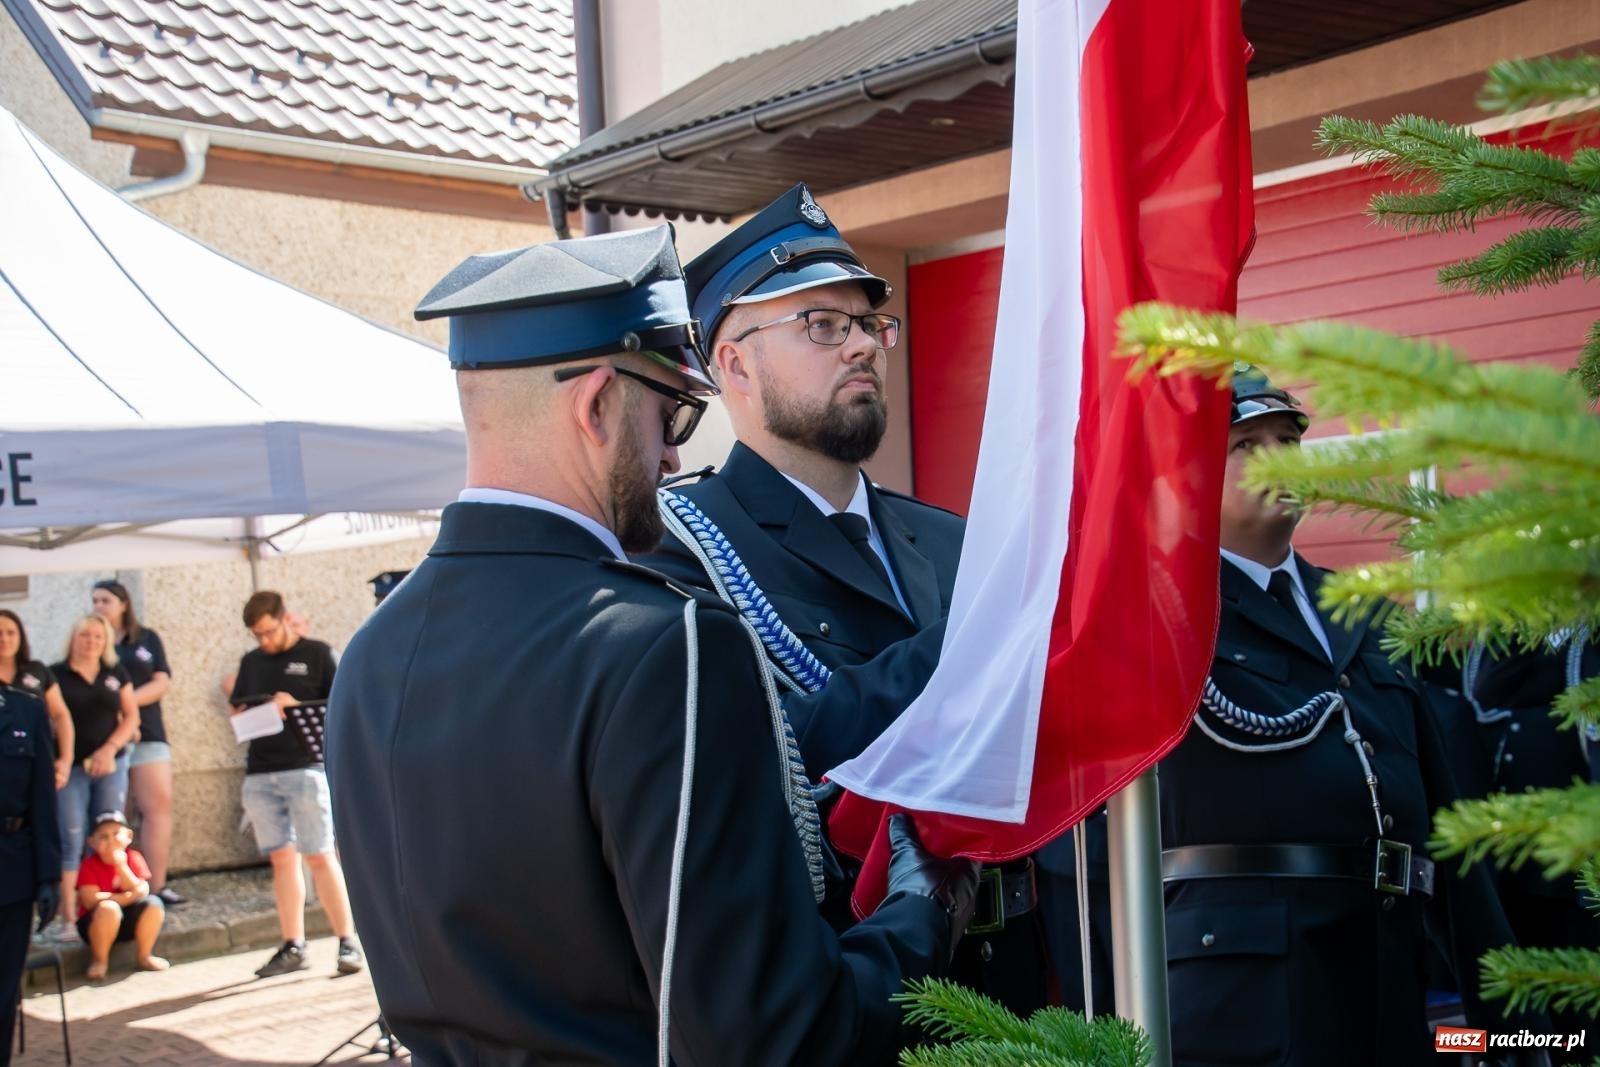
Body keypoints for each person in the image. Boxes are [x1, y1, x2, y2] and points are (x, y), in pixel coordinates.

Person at [327, 225, 979, 1066]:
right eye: (669, 414)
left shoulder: (372, 653)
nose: (674, 454)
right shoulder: (666, 645)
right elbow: (772, 1035)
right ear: (595, 404)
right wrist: (917, 917)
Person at [641, 183, 1049, 1014]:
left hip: (1022, 970)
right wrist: (976, 641)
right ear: (734, 364)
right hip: (855, 981)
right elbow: (765, 753)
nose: (861, 345)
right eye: (822, 325)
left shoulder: (950, 539)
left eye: (869, 324)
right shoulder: (685, 551)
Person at [1155, 371, 1543, 1066]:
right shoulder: (1166, 618)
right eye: (1247, 443)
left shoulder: (1364, 611)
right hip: (1241, 994)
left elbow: (1446, 825)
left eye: (1289, 439)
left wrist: (1510, 1020)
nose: (1278, 458)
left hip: (1386, 971)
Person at [1465, 631, 1599, 1065]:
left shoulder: (1587, 639)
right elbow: (1482, 694)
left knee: (1576, 1030)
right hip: (1502, 872)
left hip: (1573, 877)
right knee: (1485, 1031)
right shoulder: (1500, 636)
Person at [229, 591, 361, 978]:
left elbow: (343, 704)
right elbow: (237, 705)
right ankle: (293, 944)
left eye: (269, 631)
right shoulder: (251, 662)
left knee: (319, 854)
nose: (264, 641)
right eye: (257, 635)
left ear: (286, 619)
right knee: (281, 858)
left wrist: (295, 705)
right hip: (260, 769)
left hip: (305, 766)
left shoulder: (319, 654)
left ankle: (347, 940)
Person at [91, 580, 183, 907]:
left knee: (157, 807)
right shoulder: (94, 639)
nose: (99, 606)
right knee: (116, 814)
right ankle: (113, 889)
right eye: (95, 601)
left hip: (149, 733)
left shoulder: (146, 638)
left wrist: (126, 705)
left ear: (124, 603)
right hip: (107, 740)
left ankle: (156, 887)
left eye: (105, 600)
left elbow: (161, 682)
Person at [51, 613, 138, 931]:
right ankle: (69, 916)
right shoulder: (56, 674)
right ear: (73, 638)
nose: (91, 642)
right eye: (85, 635)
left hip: (111, 764)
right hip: (71, 767)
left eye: (98, 637)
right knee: (72, 836)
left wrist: (110, 748)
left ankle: (106, 907)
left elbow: (131, 717)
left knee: (107, 836)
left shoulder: (115, 672)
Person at [0, 683, 60, 1065]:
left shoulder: (27, 710)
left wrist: (49, 875)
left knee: (4, 989)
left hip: (11, 869)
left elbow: (43, 799)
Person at [73, 810, 167, 980]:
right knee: (108, 909)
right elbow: (89, 899)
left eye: (116, 834)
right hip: (96, 924)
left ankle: (144, 956)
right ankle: (99, 961)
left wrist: (121, 866)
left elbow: (142, 889)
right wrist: (125, 898)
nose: (110, 841)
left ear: (129, 836)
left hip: (127, 920)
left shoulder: (134, 858)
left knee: (154, 904)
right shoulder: (89, 865)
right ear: (92, 842)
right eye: (103, 837)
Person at [0, 609, 72, 790]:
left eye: (11, 632)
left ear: (21, 636)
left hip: (36, 762)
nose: (4, 639)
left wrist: (65, 759)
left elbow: (60, 715)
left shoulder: (37, 670)